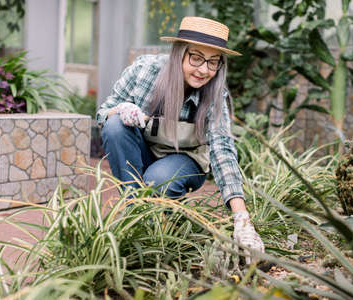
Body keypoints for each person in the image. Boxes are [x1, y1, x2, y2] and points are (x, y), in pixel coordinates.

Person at [96, 16, 264, 263]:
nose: (204, 70)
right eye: (196, 57)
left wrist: (242, 220)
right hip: (143, 152)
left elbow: (223, 151)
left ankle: (144, 221)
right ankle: (139, 223)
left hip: (184, 161)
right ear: (179, 53)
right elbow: (102, 114)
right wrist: (120, 109)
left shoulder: (216, 95)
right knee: (114, 127)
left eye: (213, 62)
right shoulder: (144, 72)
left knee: (157, 181)